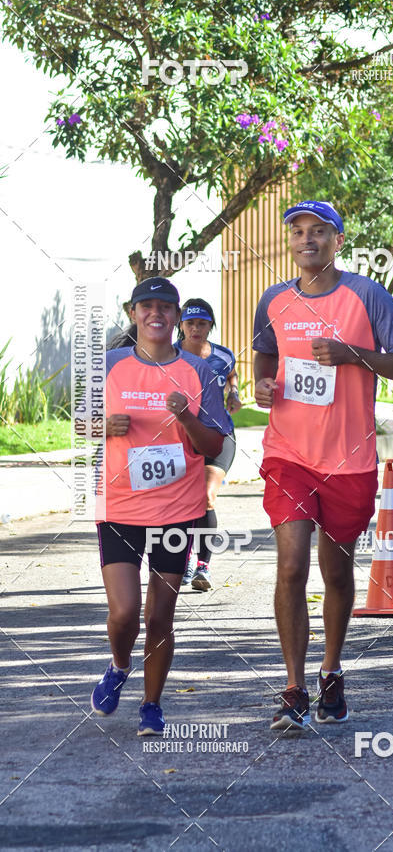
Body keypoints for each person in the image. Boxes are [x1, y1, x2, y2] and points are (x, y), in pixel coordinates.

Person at [253, 200, 393, 730]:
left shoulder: (366, 295)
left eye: (318, 231)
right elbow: (265, 353)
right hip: (289, 455)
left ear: (338, 240)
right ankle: (293, 688)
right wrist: (261, 382)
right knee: (290, 565)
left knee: (337, 572)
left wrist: (353, 354)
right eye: (298, 231)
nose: (307, 239)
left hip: (349, 460)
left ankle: (331, 672)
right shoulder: (274, 300)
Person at [90, 277, 232, 736]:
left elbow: (217, 441)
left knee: (159, 617)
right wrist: (102, 425)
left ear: (176, 317)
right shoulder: (110, 365)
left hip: (176, 510)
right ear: (133, 314)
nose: (157, 314)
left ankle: (152, 704)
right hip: (120, 508)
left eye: (165, 307)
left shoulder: (197, 372)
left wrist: (186, 417)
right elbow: (78, 421)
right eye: (146, 306)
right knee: (125, 613)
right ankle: (117, 665)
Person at [175, 298, 242, 589]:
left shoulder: (223, 355)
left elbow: (230, 375)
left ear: (210, 326)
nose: (195, 328)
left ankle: (203, 566)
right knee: (181, 502)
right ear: (181, 325)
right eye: (190, 323)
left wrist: (234, 393)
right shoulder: (170, 355)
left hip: (218, 435)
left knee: (205, 496)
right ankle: (185, 559)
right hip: (180, 438)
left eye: (202, 323)